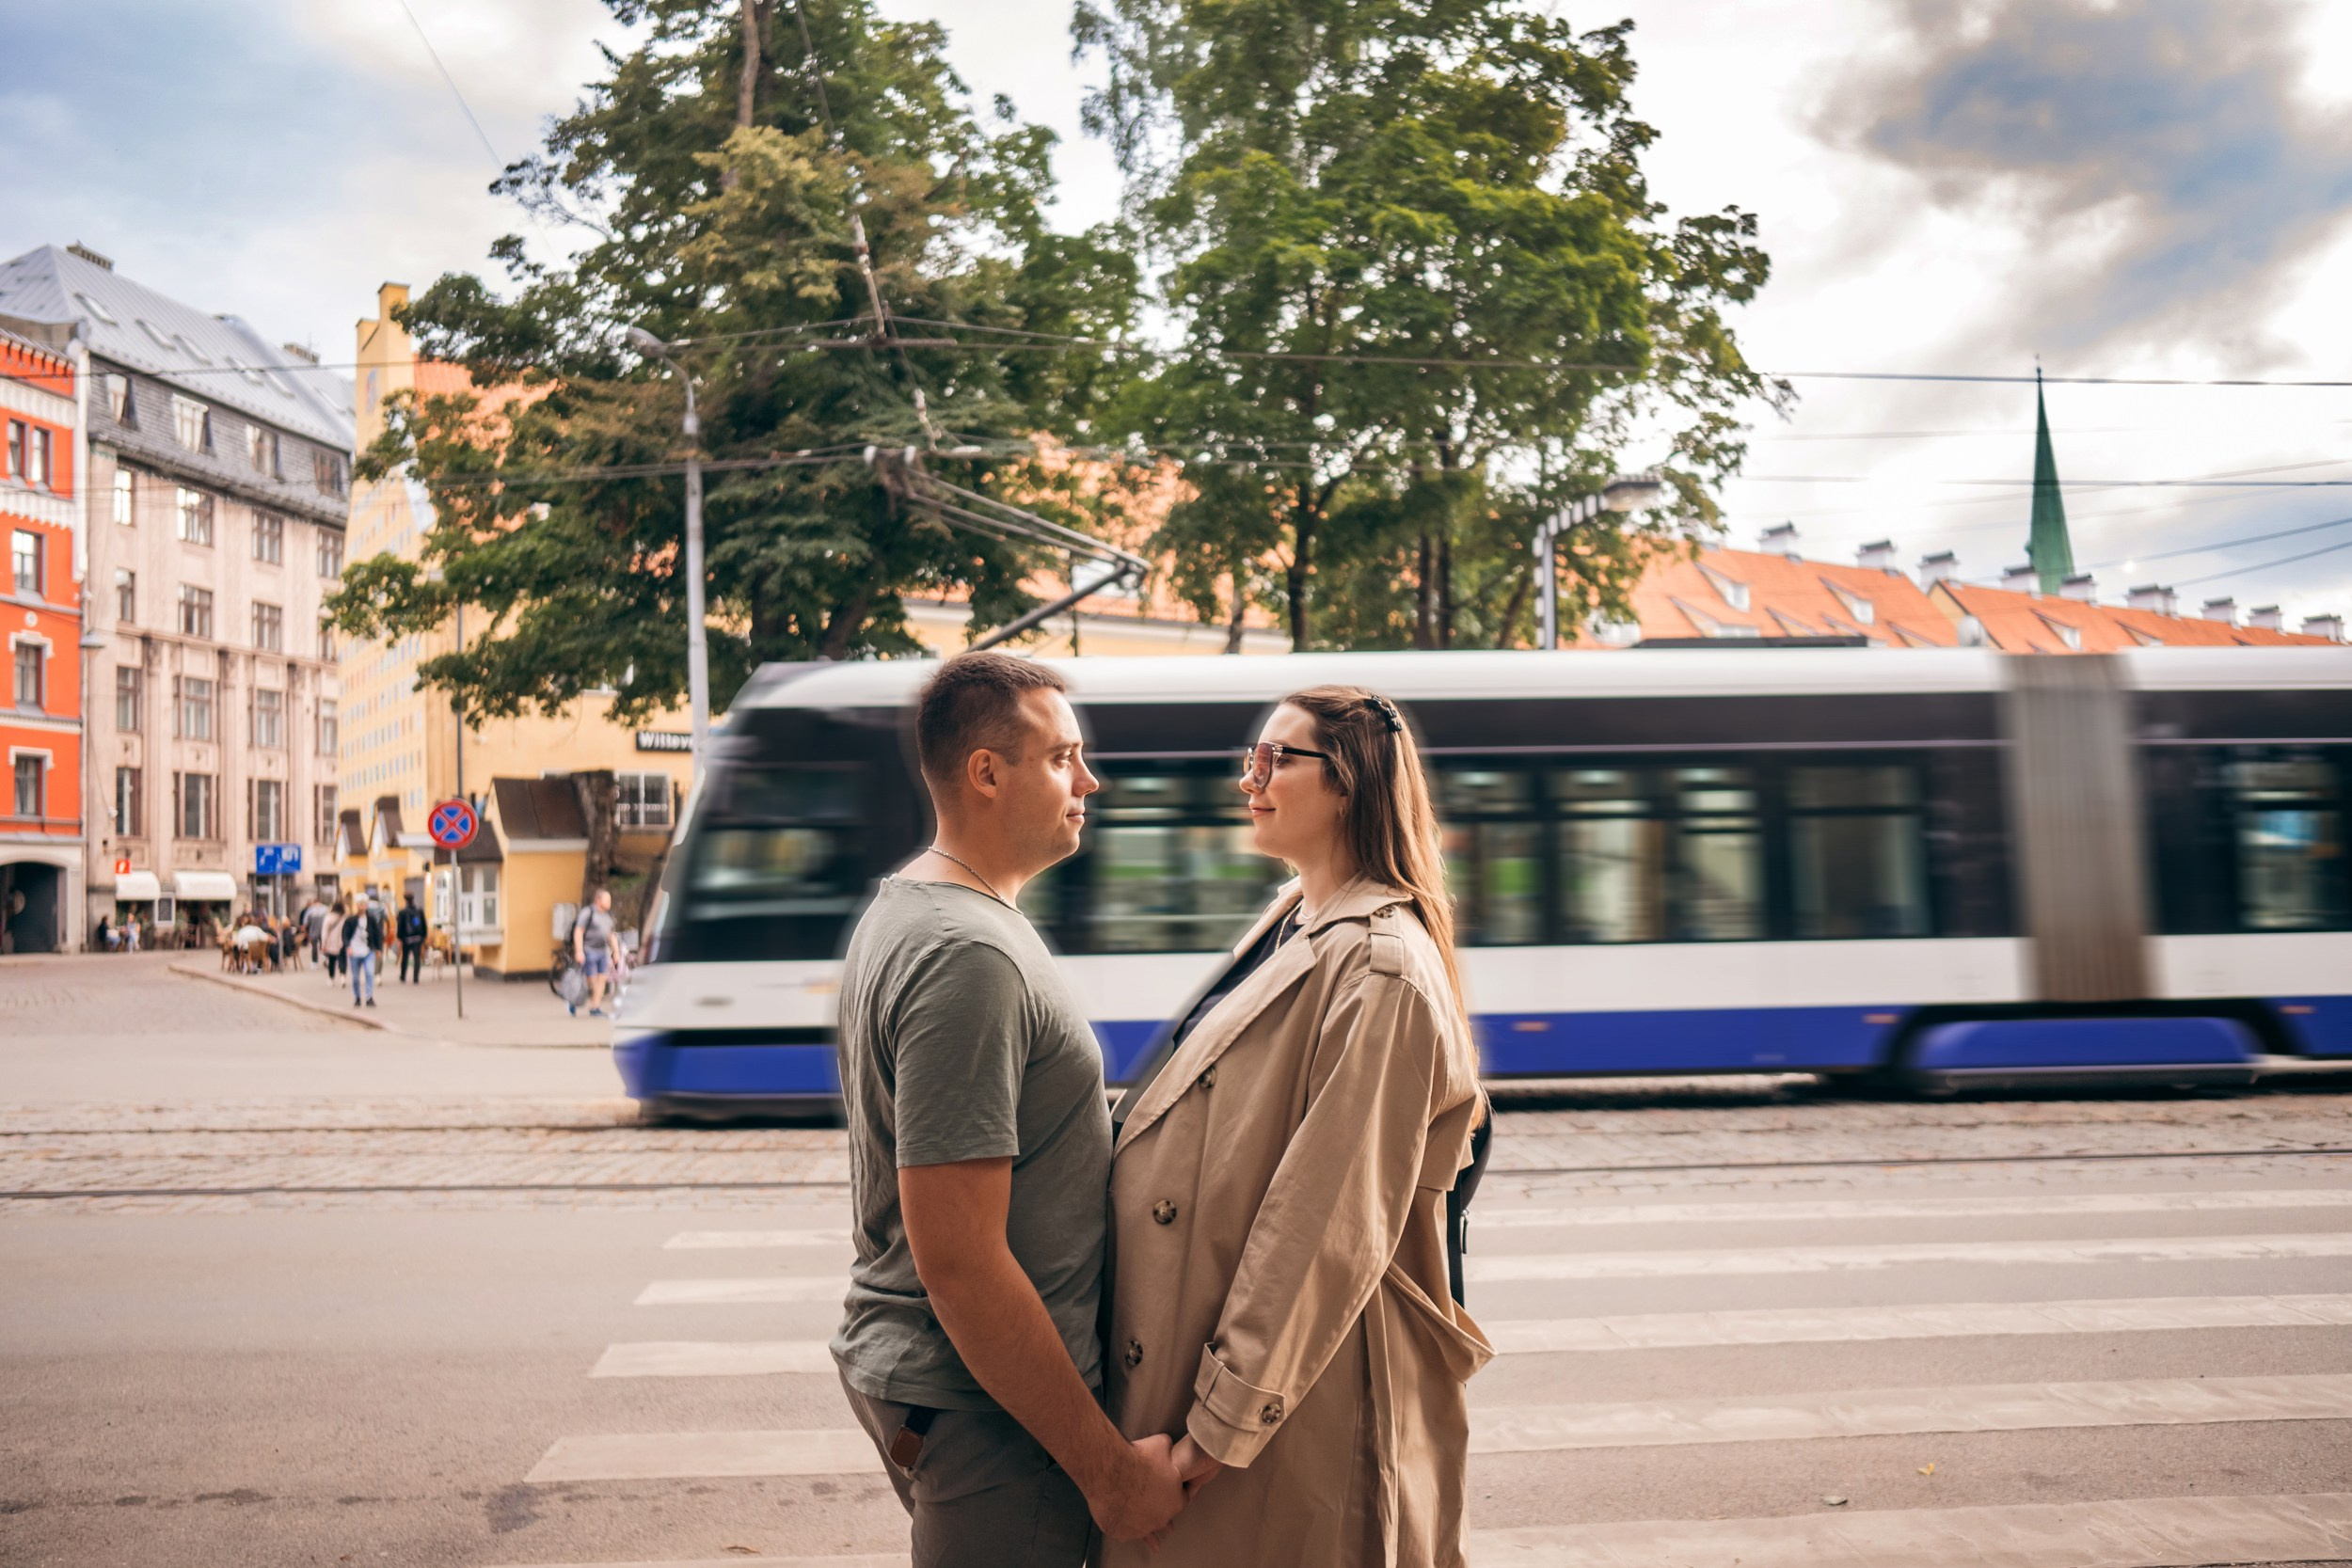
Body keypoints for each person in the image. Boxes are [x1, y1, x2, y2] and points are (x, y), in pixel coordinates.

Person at [1100, 686, 1493, 1568]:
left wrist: (1214, 1431)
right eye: (1252, 757)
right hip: (1233, 1380)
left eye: (1278, 758)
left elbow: (1323, 1225)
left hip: (1295, 1409)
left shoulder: (1382, 967)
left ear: (1349, 781)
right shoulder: (1296, 913)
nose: (1252, 778)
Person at [831, 652, 1185, 1567]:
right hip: (992, 1418)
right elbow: (958, 1258)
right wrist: (1104, 1467)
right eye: (1064, 756)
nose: (1089, 779)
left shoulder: (918, 907)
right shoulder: (965, 953)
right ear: (988, 771)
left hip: (959, 1396)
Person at [569, 888, 620, 1017]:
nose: (610, 902)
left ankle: (595, 1007)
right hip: (588, 949)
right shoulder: (588, 912)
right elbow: (578, 931)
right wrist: (579, 951)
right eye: (607, 899)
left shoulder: (608, 915)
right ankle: (575, 997)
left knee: (602, 978)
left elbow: (611, 934)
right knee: (591, 979)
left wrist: (616, 952)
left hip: (603, 950)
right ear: (598, 900)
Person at [341, 897, 382, 1008]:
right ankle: (357, 997)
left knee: (369, 973)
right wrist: (348, 947)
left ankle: (369, 997)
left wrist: (379, 949)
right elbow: (345, 935)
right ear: (356, 905)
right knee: (355, 977)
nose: (361, 906)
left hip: (368, 951)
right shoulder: (350, 920)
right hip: (354, 952)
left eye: (363, 904)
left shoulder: (371, 919)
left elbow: (378, 934)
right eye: (359, 904)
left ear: (366, 906)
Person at [396, 894, 427, 984]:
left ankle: (403, 976)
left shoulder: (402, 912)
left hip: (407, 939)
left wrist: (399, 938)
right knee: (417, 958)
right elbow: (424, 924)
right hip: (418, 938)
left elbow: (400, 926)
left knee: (405, 957)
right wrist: (424, 936)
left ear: (405, 900)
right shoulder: (419, 911)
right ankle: (416, 978)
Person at [320, 898, 345, 982]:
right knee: (342, 959)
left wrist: (323, 944)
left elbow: (324, 932)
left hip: (331, 942)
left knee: (332, 961)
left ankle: (331, 978)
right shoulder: (344, 917)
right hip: (342, 942)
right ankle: (342, 976)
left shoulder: (329, 917)